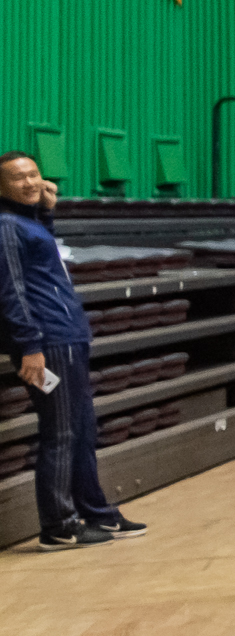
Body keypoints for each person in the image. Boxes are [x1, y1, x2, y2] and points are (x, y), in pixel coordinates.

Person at [0, 152, 143, 547]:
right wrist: (29, 346)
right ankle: (59, 526)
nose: (29, 182)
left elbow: (43, 264)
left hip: (68, 337)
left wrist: (46, 213)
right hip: (48, 343)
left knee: (81, 430)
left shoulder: (26, 222)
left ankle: (95, 512)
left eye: (33, 174)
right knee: (60, 433)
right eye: (18, 178)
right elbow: (10, 291)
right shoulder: (5, 226)